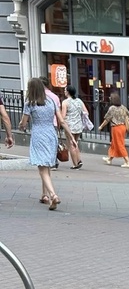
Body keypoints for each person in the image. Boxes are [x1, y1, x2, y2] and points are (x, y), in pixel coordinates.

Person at [18, 78, 78, 210]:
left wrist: (21, 126)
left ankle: (53, 195)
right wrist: (71, 137)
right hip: (51, 134)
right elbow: (62, 121)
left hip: (39, 135)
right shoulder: (51, 101)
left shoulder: (30, 103)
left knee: (42, 168)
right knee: (47, 166)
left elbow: (24, 122)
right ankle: (47, 197)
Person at [99, 93, 129, 167]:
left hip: (116, 128)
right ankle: (109, 159)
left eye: (110, 98)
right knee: (114, 143)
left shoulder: (112, 108)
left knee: (120, 144)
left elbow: (107, 119)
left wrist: (101, 126)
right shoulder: (123, 107)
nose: (109, 99)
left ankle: (127, 162)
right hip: (123, 127)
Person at [61, 86, 88, 169]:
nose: (64, 91)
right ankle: (79, 160)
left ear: (68, 92)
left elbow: (63, 116)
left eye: (65, 90)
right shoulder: (79, 101)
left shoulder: (65, 102)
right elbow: (86, 112)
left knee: (71, 144)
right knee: (75, 142)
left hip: (70, 126)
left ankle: (75, 164)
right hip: (78, 125)